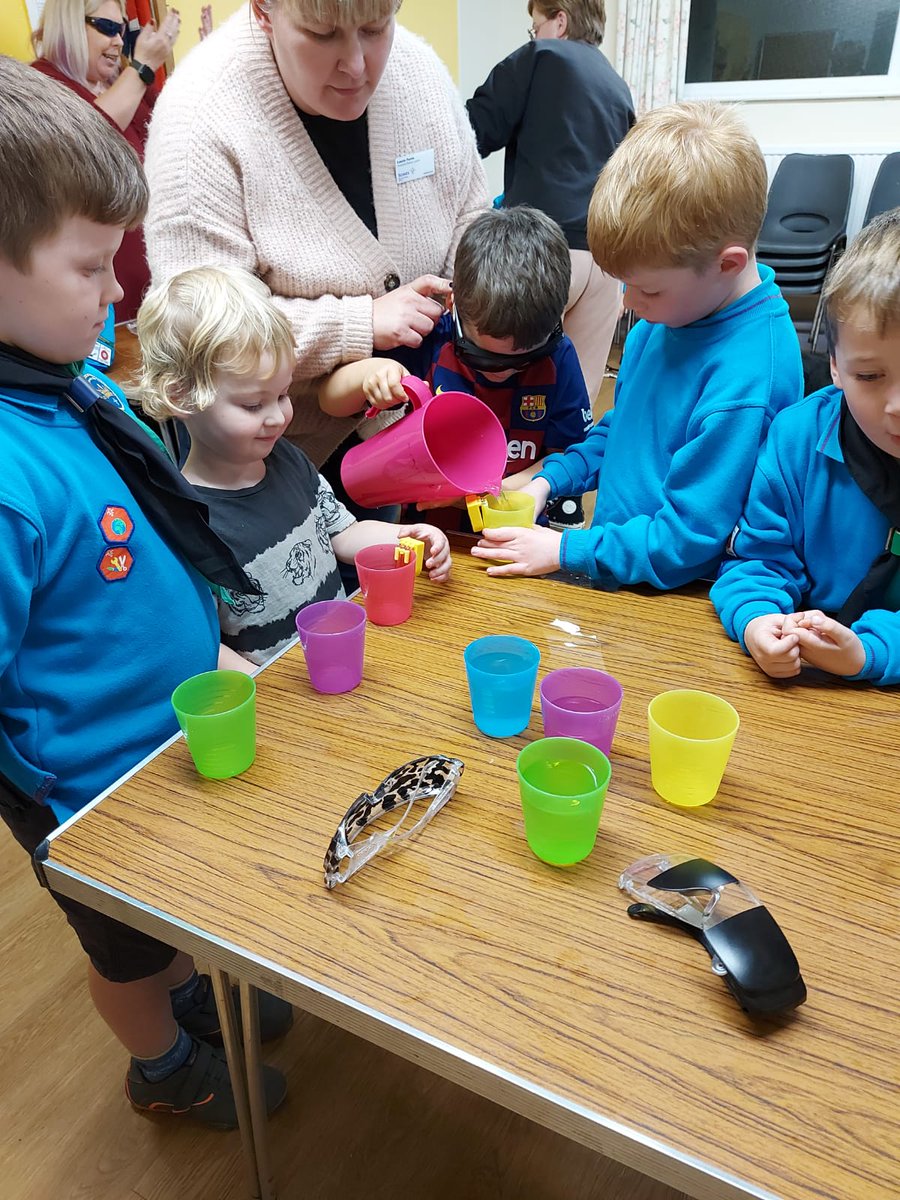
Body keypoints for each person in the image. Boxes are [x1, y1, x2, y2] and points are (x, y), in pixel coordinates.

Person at [0, 57, 290, 1131]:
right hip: (89, 790)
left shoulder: (59, 377)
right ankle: (161, 1059)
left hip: (168, 743)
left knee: (173, 921)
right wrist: (53, 804)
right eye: (88, 266)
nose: (118, 289)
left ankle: (183, 987)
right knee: (126, 949)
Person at [143, 0, 488, 484]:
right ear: (264, 12)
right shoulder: (199, 117)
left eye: (374, 27)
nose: (356, 64)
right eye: (322, 34)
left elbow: (471, 215)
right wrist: (358, 322)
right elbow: (199, 326)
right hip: (275, 467)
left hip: (419, 434)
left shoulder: (420, 73)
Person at [473, 101, 804, 588]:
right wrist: (548, 479)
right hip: (615, 566)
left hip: (676, 601)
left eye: (647, 288)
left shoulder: (750, 379)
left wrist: (567, 548)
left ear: (727, 264)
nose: (630, 303)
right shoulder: (667, 316)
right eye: (624, 284)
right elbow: (622, 432)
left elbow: (689, 540)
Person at [136, 265, 452, 664]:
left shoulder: (286, 459)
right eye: (253, 404)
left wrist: (403, 538)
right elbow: (200, 641)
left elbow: (342, 533)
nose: (277, 417)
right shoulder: (184, 518)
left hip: (338, 662)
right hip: (279, 700)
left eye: (282, 395)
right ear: (180, 397)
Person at [711, 209, 900, 686]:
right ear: (834, 367)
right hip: (805, 690)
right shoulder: (797, 438)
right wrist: (756, 619)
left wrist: (872, 652)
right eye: (870, 376)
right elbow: (758, 560)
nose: (897, 406)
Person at [318, 205, 593, 532]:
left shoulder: (559, 357)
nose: (502, 373)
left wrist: (471, 493)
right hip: (426, 533)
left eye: (524, 360)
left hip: (519, 531)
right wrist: (369, 375)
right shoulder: (426, 340)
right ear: (453, 303)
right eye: (483, 357)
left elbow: (571, 455)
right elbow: (328, 400)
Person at [466, 1, 634, 403]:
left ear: (559, 21)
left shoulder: (541, 56)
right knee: (576, 406)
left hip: (543, 255)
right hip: (604, 261)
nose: (534, 34)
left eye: (535, 25)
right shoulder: (617, 85)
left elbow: (469, 134)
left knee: (508, 399)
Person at [31, 0, 182, 321]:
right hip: (105, 284)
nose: (117, 40)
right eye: (108, 28)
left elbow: (174, 130)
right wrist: (142, 67)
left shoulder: (121, 83)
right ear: (70, 25)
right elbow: (90, 137)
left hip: (159, 267)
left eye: (122, 30)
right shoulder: (41, 85)